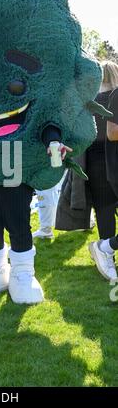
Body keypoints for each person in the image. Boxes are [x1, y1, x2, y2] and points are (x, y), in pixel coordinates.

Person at [88, 61, 118, 281]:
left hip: (95, 160)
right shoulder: (112, 97)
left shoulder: (89, 101)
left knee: (104, 209)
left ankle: (107, 251)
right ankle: (106, 249)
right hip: (110, 158)